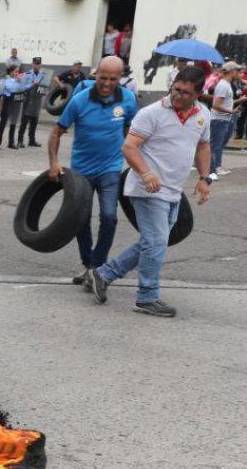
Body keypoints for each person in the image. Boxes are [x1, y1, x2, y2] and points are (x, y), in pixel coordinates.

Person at [86, 66, 212, 318]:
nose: (178, 95)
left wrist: (204, 178)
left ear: (198, 93)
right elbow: (130, 147)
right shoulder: (152, 113)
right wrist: (146, 172)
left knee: (152, 242)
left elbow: (203, 146)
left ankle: (104, 273)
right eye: (176, 89)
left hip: (173, 191)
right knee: (156, 244)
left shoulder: (203, 115)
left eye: (185, 93)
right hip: (146, 189)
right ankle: (147, 296)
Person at [49, 56, 137, 284]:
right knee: (82, 219)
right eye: (103, 77)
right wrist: (54, 163)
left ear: (120, 78)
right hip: (81, 172)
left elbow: (132, 130)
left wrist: (137, 157)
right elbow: (56, 132)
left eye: (113, 78)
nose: (107, 83)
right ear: (96, 74)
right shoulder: (79, 100)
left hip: (110, 168)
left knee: (109, 217)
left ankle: (98, 266)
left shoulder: (128, 99)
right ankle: (88, 264)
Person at [208, 61, 243, 179]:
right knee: (215, 145)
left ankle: (216, 166)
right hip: (219, 119)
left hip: (223, 119)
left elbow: (226, 102)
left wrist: (239, 101)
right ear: (232, 71)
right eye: (237, 71)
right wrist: (231, 111)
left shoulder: (226, 84)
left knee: (219, 144)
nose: (239, 73)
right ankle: (213, 169)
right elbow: (216, 105)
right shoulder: (223, 85)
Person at [0, 64, 27, 149]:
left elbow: (23, 88)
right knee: (3, 122)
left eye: (18, 72)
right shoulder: (6, 80)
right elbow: (7, 90)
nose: (17, 73)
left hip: (17, 102)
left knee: (13, 122)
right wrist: (0, 104)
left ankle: (11, 142)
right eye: (15, 72)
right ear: (10, 72)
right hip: (7, 101)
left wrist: (21, 81)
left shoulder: (19, 80)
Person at [19, 57, 46, 147]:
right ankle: (20, 140)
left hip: (37, 99)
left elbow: (44, 89)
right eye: (35, 63)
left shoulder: (43, 75)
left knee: (34, 121)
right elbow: (23, 87)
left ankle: (32, 140)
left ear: (40, 65)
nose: (36, 65)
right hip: (29, 98)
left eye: (38, 64)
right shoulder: (27, 74)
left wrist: (41, 89)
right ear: (32, 64)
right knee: (24, 121)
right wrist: (32, 84)